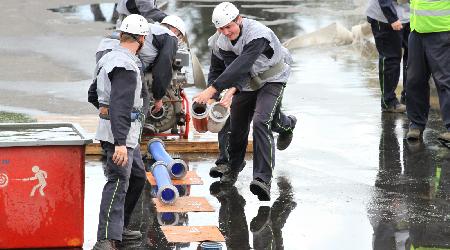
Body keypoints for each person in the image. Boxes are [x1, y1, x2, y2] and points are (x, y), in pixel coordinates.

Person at [194, 2, 297, 201]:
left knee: (262, 121)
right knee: (236, 124)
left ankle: (262, 179)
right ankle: (233, 166)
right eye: (221, 29)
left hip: (272, 77)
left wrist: (214, 89)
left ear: (238, 19)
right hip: (248, 81)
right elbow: (231, 68)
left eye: (229, 26)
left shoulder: (258, 34)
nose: (226, 32)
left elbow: (243, 63)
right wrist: (220, 95)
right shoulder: (221, 41)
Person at [91, 14, 149, 250]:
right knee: (117, 181)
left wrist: (105, 112)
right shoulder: (125, 65)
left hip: (122, 131)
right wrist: (120, 143)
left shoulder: (109, 58)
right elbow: (122, 105)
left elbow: (92, 94)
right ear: (142, 38)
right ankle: (105, 238)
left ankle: (119, 228)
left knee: (137, 177)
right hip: (120, 136)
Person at [405, 0, 450, 140]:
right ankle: (416, 124)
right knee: (414, 80)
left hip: (441, 31)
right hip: (417, 30)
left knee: (444, 82)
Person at [366, 0, 410, 113]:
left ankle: (408, 97)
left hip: (409, 15)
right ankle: (388, 101)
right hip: (385, 17)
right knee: (391, 59)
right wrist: (392, 17)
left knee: (412, 57)